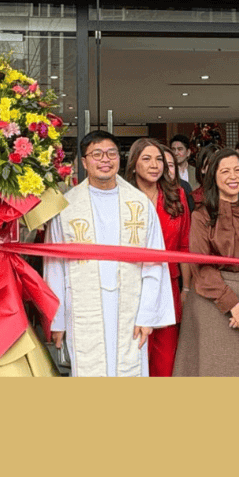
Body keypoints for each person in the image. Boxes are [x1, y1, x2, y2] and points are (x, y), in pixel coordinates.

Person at [43, 130, 175, 377]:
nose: (105, 159)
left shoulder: (140, 203)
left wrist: (147, 315)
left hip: (130, 305)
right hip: (82, 306)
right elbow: (55, 265)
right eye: (96, 154)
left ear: (119, 158)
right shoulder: (67, 206)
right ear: (84, 162)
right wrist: (57, 319)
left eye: (111, 153)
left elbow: (154, 262)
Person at [173, 149, 239, 376]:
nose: (233, 176)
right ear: (213, 177)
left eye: (237, 170)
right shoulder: (201, 216)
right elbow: (201, 266)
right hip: (211, 301)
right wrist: (233, 305)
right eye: (225, 171)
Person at [124, 138, 191, 377]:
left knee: (165, 359)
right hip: (129, 286)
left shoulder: (177, 195)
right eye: (146, 159)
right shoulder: (122, 197)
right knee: (133, 354)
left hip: (168, 285)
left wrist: (187, 289)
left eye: (159, 159)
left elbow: (184, 245)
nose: (155, 165)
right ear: (133, 165)